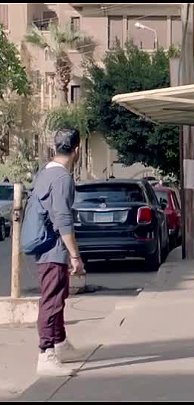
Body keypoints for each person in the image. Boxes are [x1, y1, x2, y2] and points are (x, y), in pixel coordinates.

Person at [32, 128, 87, 376]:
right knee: (52, 300)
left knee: (57, 295)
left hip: (45, 246)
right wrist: (75, 255)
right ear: (77, 150)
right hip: (53, 249)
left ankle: (60, 343)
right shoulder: (62, 178)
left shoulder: (44, 172)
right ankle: (46, 353)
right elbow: (63, 219)